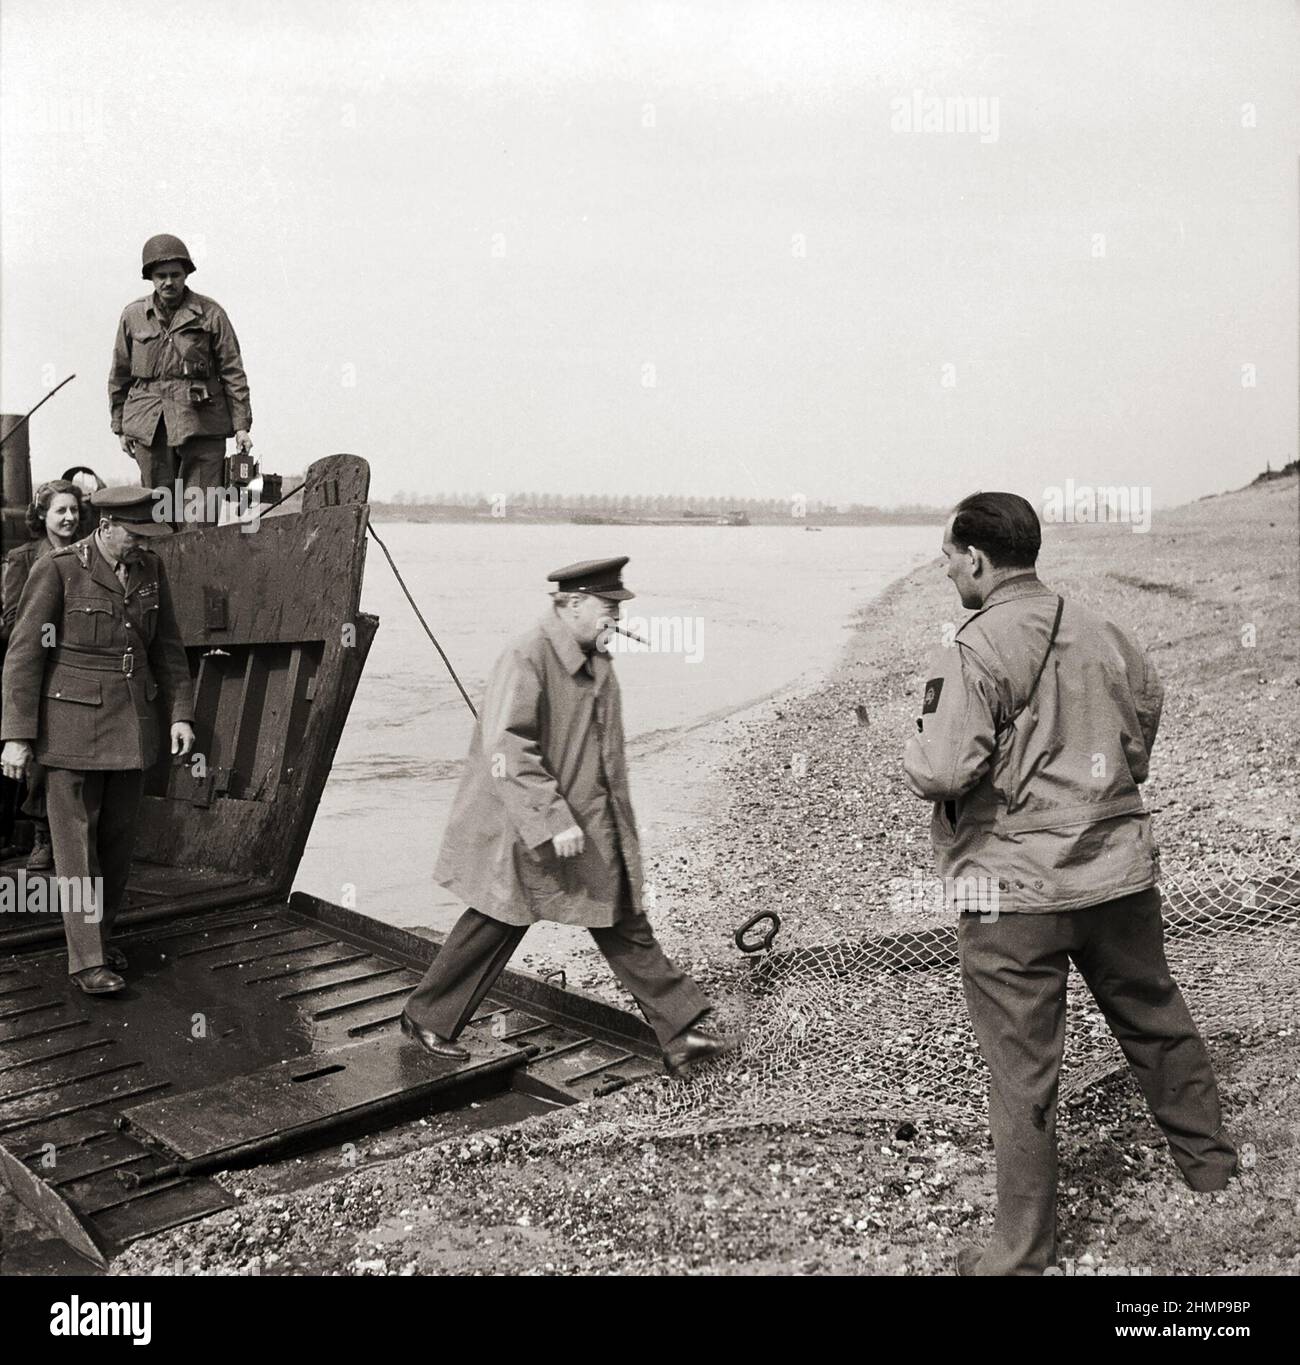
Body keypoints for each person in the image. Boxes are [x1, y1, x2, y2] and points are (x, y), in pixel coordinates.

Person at [902, 491, 1236, 1276]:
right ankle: (1212, 1167)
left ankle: (1021, 1256)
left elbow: (944, 768)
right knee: (1156, 1017)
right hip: (1117, 876)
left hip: (1012, 895)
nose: (944, 567)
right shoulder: (1103, 627)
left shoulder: (974, 645)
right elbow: (1144, 718)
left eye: (948, 555)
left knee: (1022, 1072)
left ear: (976, 560)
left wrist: (911, 753)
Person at [401, 556, 730, 1076]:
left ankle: (682, 1033)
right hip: (525, 824)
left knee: (618, 913)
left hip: (587, 823)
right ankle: (426, 1019)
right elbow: (508, 749)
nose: (616, 619)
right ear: (572, 604)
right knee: (498, 917)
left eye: (618, 609)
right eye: (609, 607)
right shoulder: (526, 655)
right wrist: (553, 819)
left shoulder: (593, 655)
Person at [0, 487, 196, 994]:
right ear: (106, 524)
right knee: (75, 849)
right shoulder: (61, 569)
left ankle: (101, 939)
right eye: (132, 534)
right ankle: (86, 960)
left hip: (132, 725)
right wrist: (17, 736)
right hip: (71, 729)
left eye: (145, 536)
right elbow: (24, 656)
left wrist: (180, 715)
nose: (138, 544)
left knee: (116, 845)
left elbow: (168, 647)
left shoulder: (150, 568)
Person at [108, 234, 252, 526]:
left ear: (186, 274)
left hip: (202, 425)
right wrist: (120, 427)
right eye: (161, 276)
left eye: (175, 275)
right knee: (157, 513)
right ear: (150, 278)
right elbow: (119, 374)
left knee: (200, 516)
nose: (168, 283)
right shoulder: (133, 316)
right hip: (151, 427)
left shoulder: (211, 314)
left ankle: (198, 570)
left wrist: (241, 427)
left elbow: (232, 371)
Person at [1, 479, 86, 870]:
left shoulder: (87, 555)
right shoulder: (23, 558)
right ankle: (42, 834)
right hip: (41, 667)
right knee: (39, 755)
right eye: (60, 511)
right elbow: (11, 623)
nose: (69, 518)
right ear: (42, 516)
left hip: (79, 666)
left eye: (74, 510)